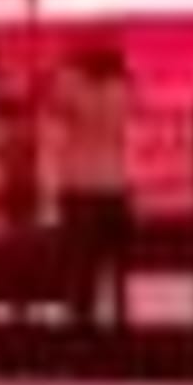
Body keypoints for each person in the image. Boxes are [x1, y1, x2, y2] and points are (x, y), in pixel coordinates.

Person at [49, 40, 139, 332]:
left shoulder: (73, 86)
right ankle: (120, 314)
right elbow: (129, 114)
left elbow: (57, 107)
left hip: (80, 183)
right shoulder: (122, 90)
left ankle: (81, 318)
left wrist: (65, 67)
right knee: (115, 259)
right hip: (116, 182)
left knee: (80, 259)